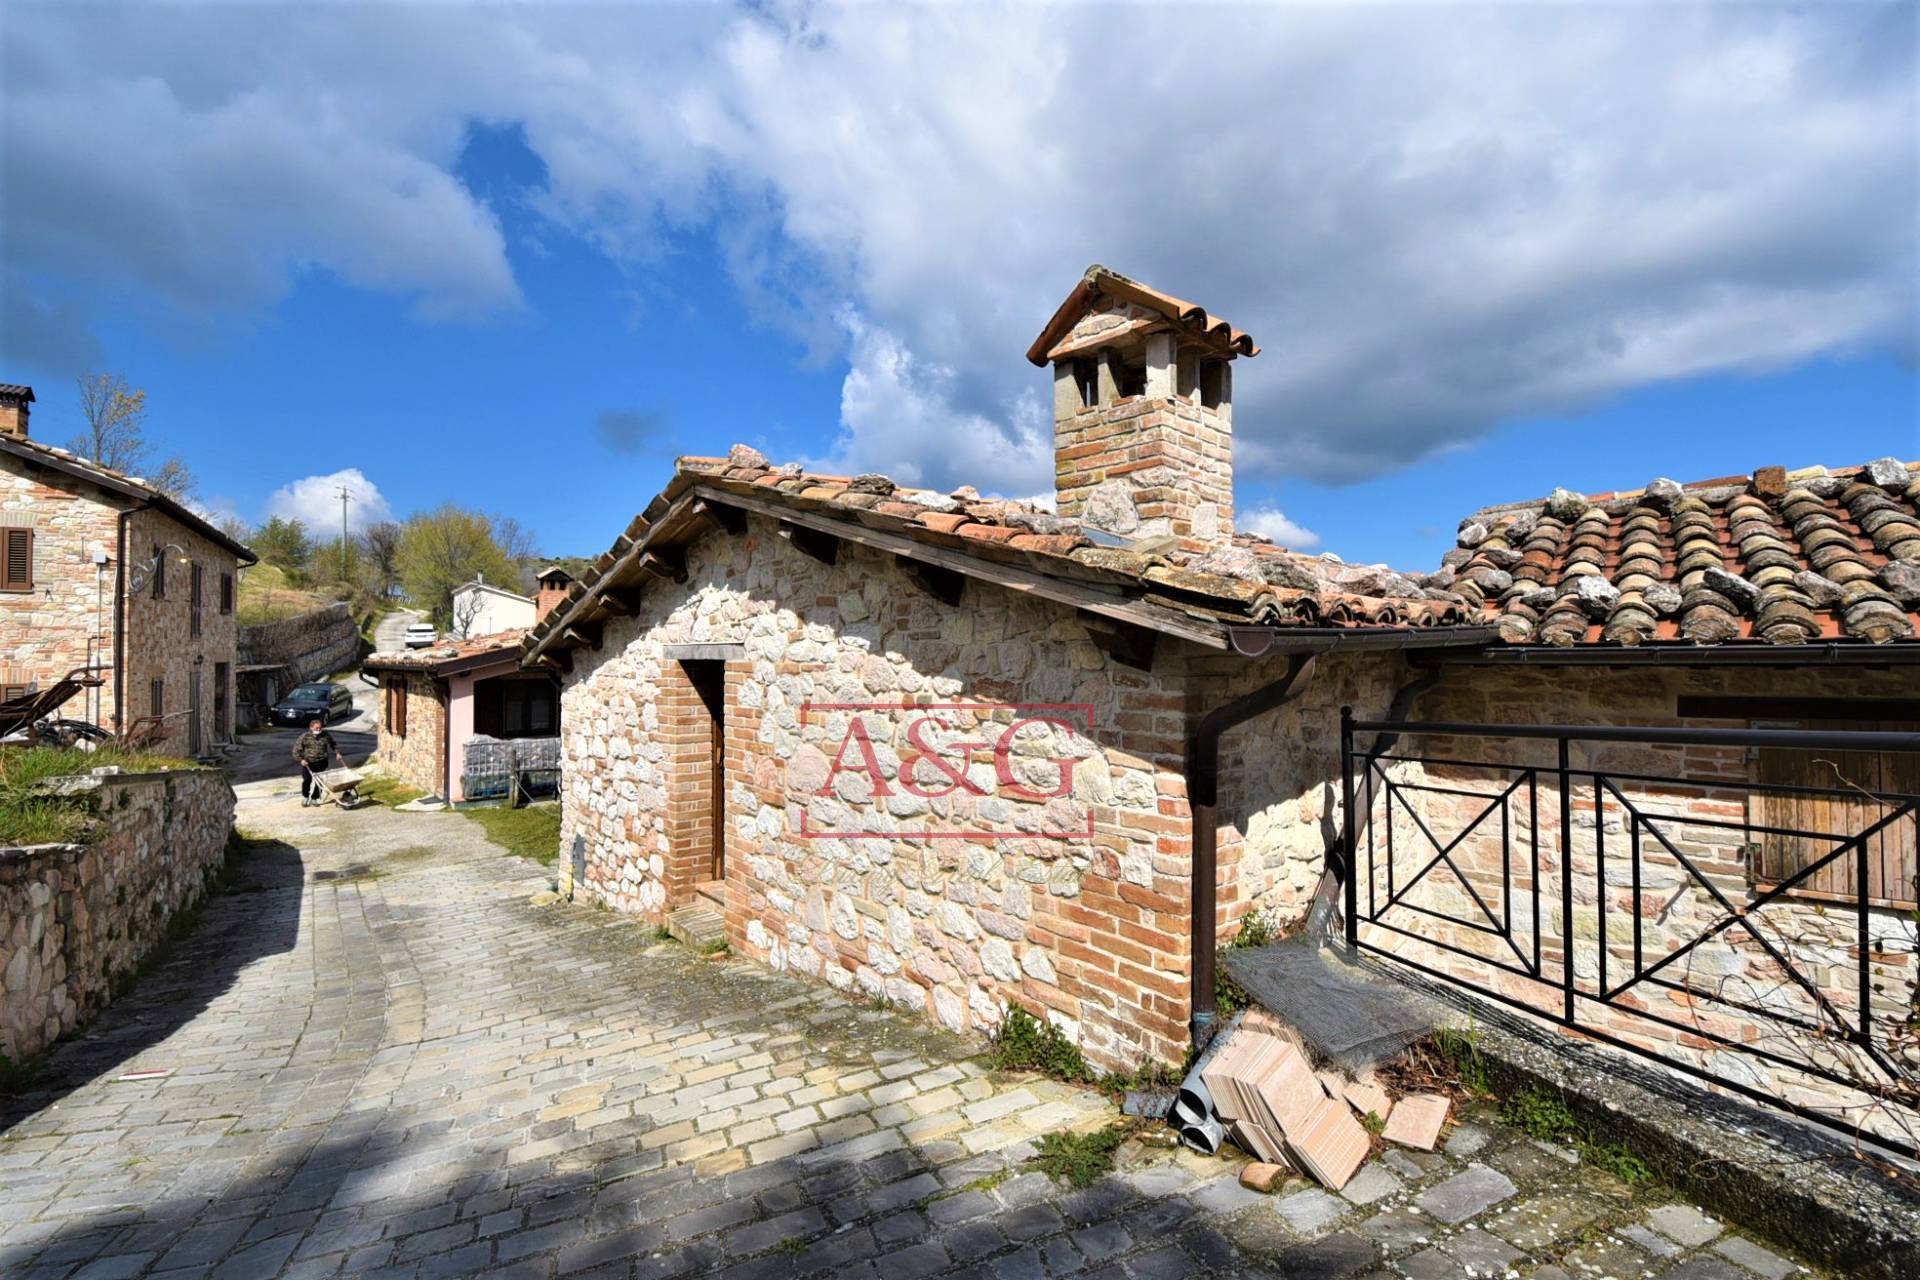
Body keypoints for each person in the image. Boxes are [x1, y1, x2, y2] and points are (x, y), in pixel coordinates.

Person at [293, 718, 345, 806]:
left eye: (320, 728)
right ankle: (305, 797)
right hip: (308, 763)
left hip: (322, 762)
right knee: (307, 780)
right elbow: (296, 750)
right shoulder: (305, 736)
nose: (319, 730)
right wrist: (301, 760)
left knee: (320, 782)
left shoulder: (325, 735)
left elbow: (333, 744)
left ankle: (315, 798)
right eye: (316, 728)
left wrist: (338, 753)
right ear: (311, 727)